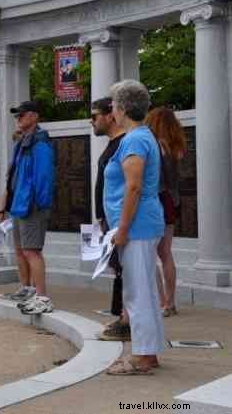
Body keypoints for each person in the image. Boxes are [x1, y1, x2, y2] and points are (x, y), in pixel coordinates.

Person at [105, 80, 165, 376]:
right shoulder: (141, 137)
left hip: (137, 227)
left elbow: (134, 186)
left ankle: (143, 356)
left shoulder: (134, 140)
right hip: (143, 224)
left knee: (137, 292)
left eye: (114, 105)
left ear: (124, 108)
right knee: (144, 291)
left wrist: (123, 228)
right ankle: (148, 352)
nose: (111, 111)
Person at [0, 100, 55, 315]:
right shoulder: (24, 143)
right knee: (22, 250)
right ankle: (29, 289)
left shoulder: (39, 143)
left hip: (31, 206)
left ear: (34, 116)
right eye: (17, 116)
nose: (18, 119)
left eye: (21, 115)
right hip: (20, 206)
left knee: (32, 251)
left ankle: (42, 297)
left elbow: (43, 177)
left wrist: (37, 204)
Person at [91, 97, 130, 342]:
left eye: (94, 116)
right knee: (119, 269)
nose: (91, 121)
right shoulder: (113, 144)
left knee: (127, 271)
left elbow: (132, 186)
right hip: (110, 219)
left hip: (121, 220)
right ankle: (123, 318)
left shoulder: (125, 144)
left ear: (110, 115)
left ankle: (127, 322)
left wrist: (120, 223)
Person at [145, 106, 186, 318]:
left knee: (152, 251)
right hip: (173, 200)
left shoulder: (156, 144)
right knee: (166, 253)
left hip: (158, 198)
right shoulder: (177, 146)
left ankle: (162, 301)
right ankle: (170, 302)